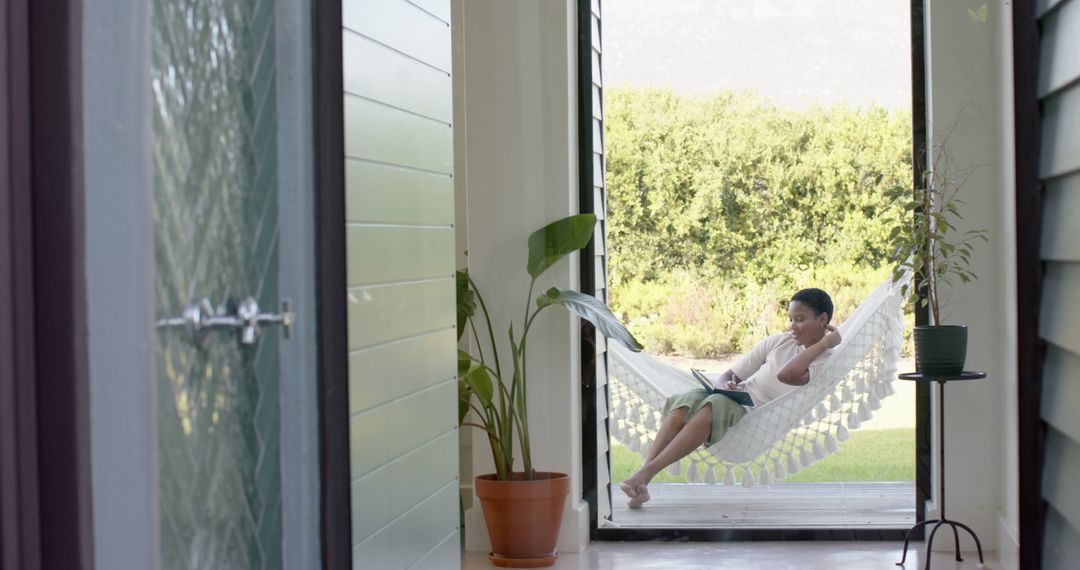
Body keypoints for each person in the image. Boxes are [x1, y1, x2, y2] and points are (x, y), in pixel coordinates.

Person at [619, 288, 842, 508]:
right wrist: (724, 384)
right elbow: (729, 374)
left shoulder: (825, 361)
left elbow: (787, 374)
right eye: (791, 319)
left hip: (754, 415)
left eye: (800, 320)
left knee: (713, 405)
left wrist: (823, 344)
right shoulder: (778, 341)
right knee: (684, 402)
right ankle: (643, 481)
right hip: (733, 397)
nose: (792, 326)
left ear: (823, 320)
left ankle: (645, 473)